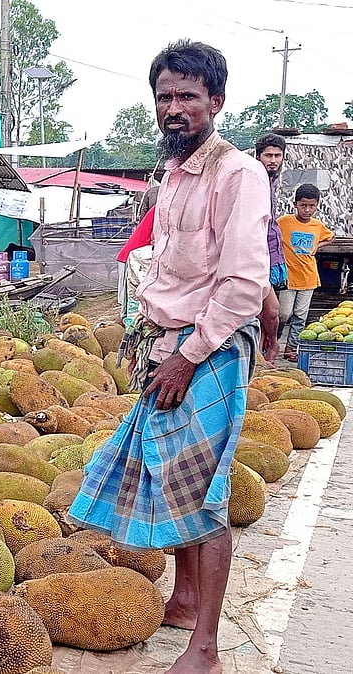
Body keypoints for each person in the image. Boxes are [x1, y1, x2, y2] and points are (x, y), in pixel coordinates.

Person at [68, 40, 271, 674]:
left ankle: (205, 648)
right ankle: (183, 599)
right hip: (166, 343)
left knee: (203, 491)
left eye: (187, 96)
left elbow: (242, 281)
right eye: (164, 97)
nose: (173, 108)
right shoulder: (172, 172)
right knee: (169, 474)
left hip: (205, 350)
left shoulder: (239, 173)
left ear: (216, 101)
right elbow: (170, 263)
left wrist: (189, 355)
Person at [277, 183, 332, 361]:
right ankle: (271, 343)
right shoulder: (283, 222)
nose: (307, 210)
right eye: (303, 205)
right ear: (295, 204)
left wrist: (317, 245)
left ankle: (291, 348)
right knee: (283, 313)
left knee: (300, 316)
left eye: (312, 206)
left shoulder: (317, 226)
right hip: (288, 277)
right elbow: (270, 237)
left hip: (308, 277)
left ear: (317, 205)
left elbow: (330, 237)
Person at [255, 133, 290, 293]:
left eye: (278, 156)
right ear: (258, 156)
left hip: (272, 251)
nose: (273, 161)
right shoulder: (251, 180)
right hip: (256, 254)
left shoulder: (273, 180)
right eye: (268, 155)